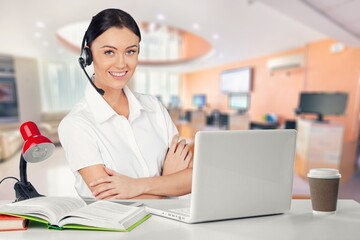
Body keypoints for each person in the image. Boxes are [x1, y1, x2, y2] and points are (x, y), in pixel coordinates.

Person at [58, 8, 193, 200]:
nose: (121, 64)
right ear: (88, 56)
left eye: (130, 51)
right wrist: (169, 182)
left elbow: (191, 178)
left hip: (171, 226)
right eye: (109, 52)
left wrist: (136, 186)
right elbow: (113, 201)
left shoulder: (154, 107)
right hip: (116, 230)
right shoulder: (76, 125)